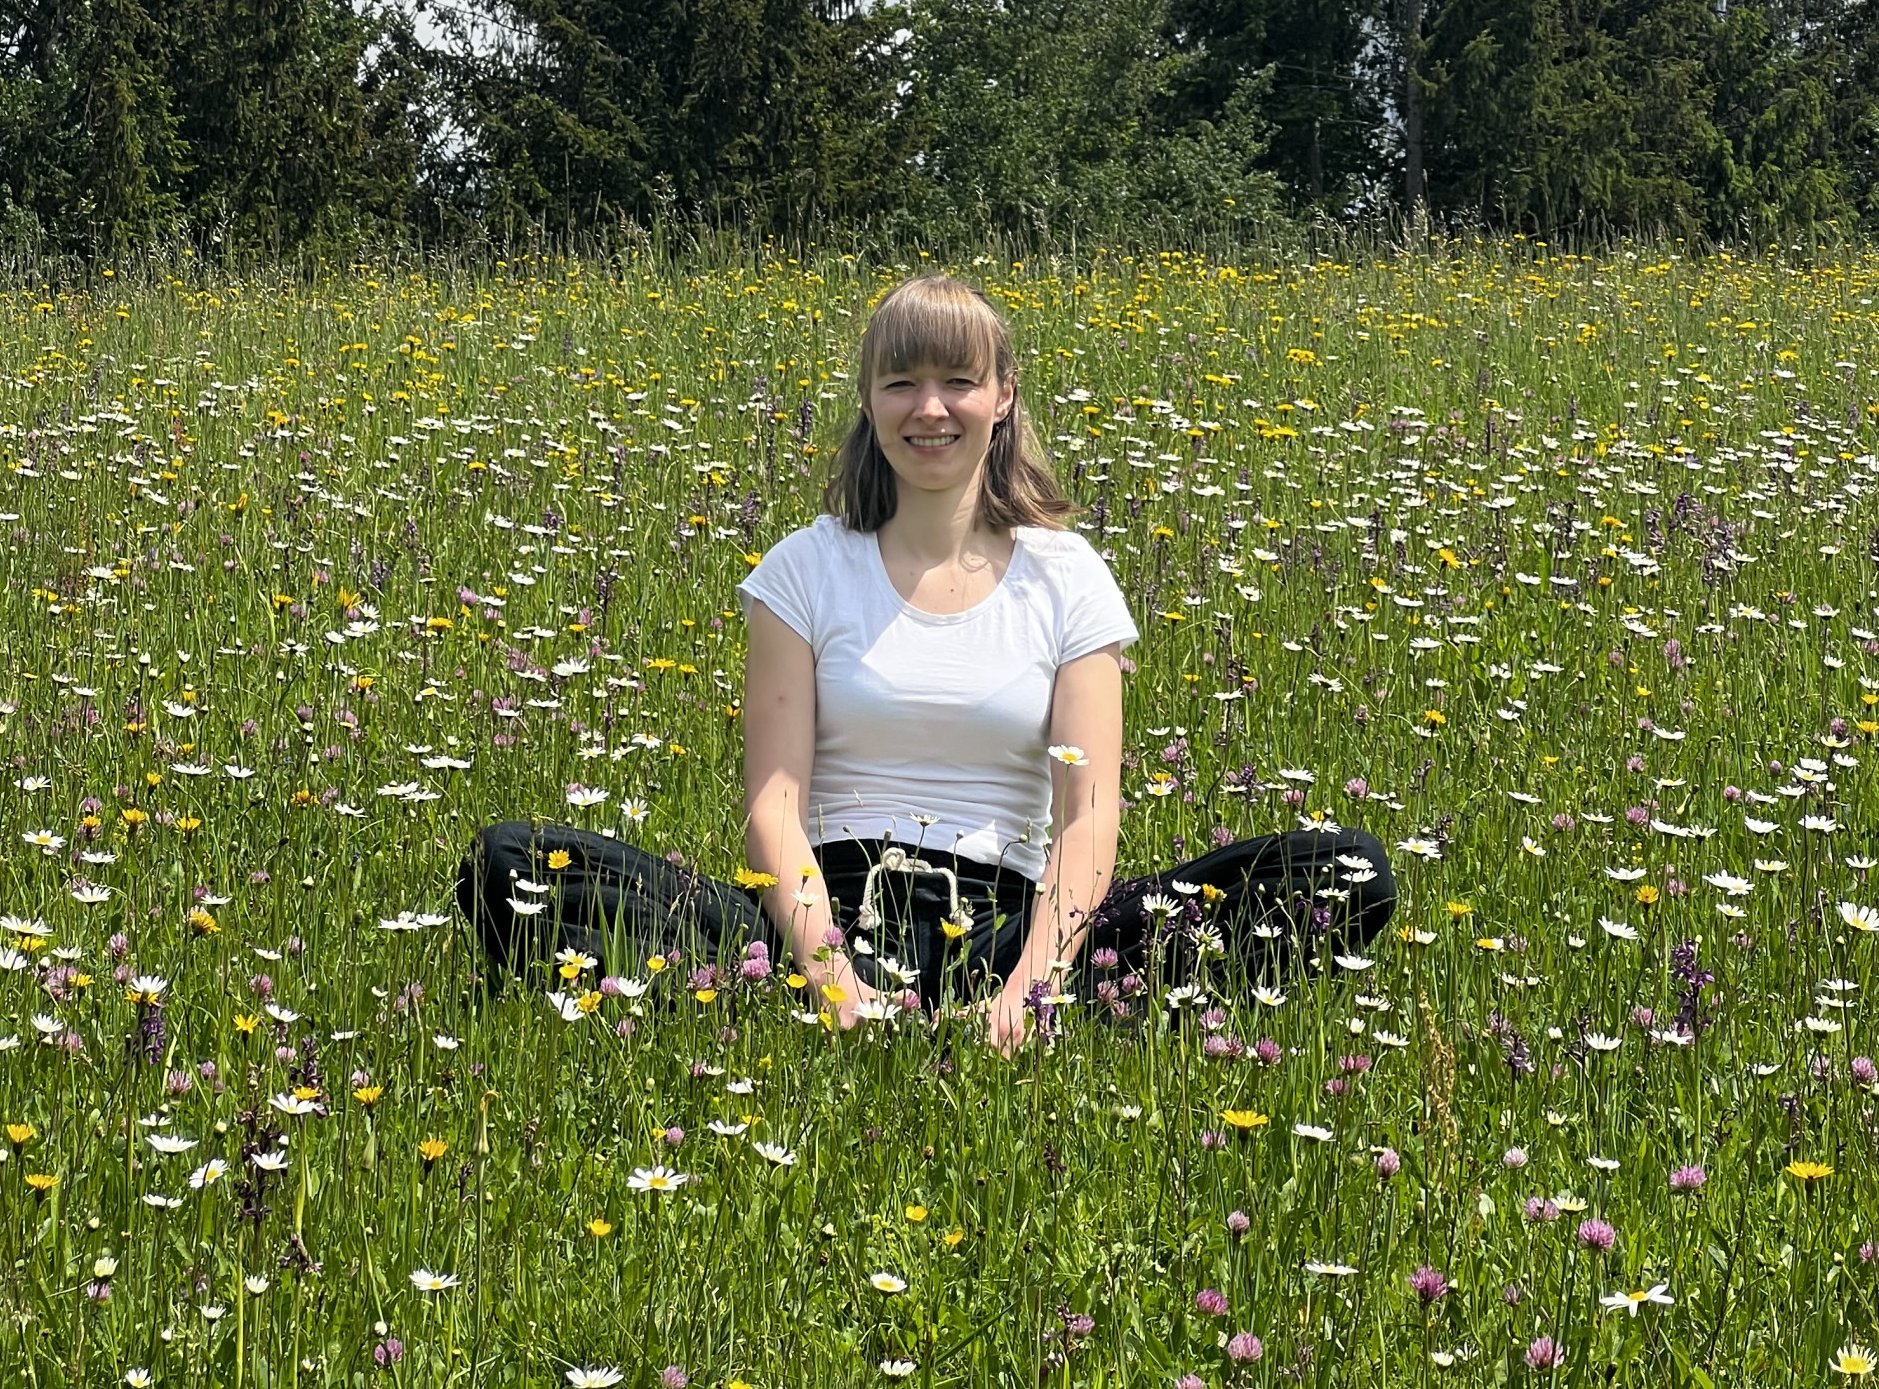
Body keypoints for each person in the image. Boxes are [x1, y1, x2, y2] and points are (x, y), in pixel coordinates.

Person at [459, 274, 1396, 1048]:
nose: (931, 407)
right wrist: (830, 977)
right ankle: (799, 1003)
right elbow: (772, 808)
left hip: (1010, 927)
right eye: (902, 381)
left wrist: (1031, 987)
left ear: (1004, 396)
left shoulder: (1067, 577)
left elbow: (1088, 815)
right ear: (869, 403)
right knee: (512, 863)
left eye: (959, 379)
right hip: (823, 918)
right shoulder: (805, 569)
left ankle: (1034, 1016)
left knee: (1344, 870)